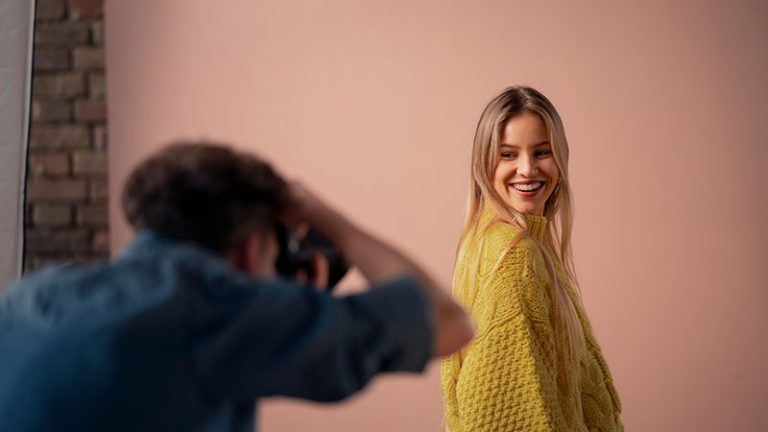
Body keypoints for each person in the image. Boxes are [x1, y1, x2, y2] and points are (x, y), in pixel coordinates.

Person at [0, 141, 474, 432]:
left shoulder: (34, 294)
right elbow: (448, 323)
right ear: (250, 248)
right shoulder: (212, 307)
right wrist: (330, 222)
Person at [440, 87, 623, 431]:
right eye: (507, 154)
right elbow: (503, 416)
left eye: (542, 152)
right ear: (483, 163)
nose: (527, 169)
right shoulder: (514, 256)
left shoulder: (495, 242)